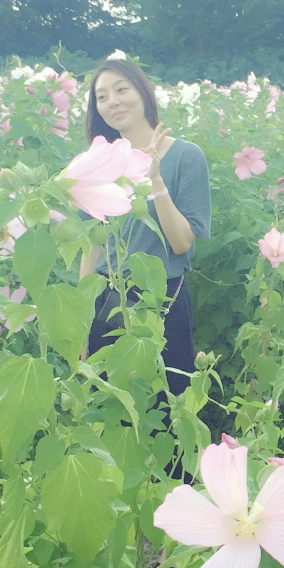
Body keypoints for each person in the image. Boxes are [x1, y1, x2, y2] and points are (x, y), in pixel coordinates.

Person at [77, 59, 211, 393]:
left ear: (143, 92)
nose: (113, 102)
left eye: (122, 89)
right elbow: (91, 248)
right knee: (109, 405)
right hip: (109, 303)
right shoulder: (99, 162)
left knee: (168, 405)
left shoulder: (186, 156)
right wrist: (80, 324)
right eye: (102, 97)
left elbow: (181, 243)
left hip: (163, 301)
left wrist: (155, 180)